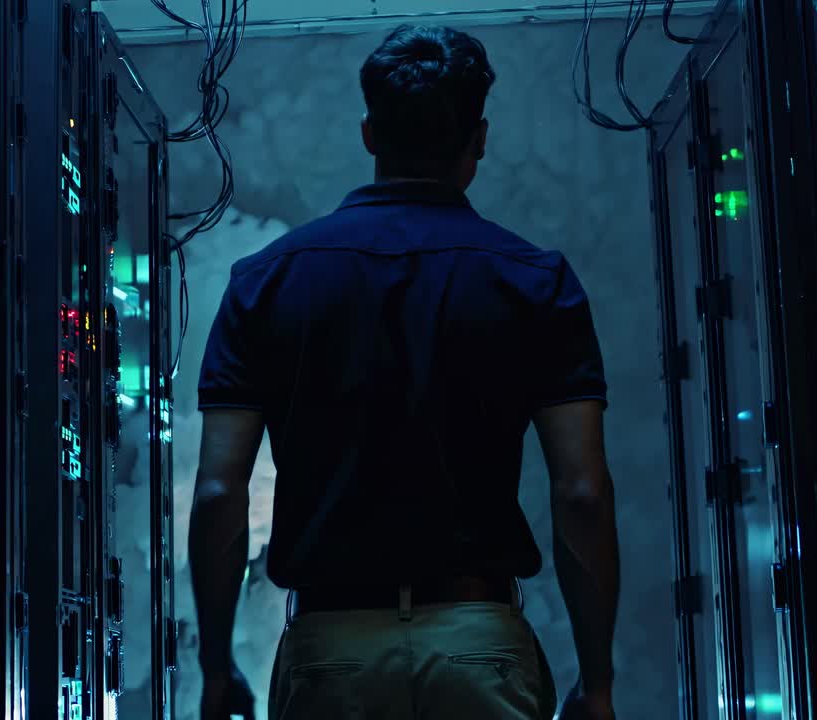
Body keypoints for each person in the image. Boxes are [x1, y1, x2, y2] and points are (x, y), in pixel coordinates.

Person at [189, 24, 620, 720]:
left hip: (331, 649)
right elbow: (583, 492)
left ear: (369, 133)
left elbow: (217, 491)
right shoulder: (536, 283)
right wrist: (596, 682)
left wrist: (216, 667)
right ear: (479, 139)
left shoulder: (265, 282)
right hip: (479, 643)